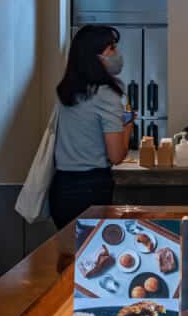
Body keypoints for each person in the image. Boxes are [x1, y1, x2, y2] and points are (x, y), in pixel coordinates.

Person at [49, 24, 135, 229]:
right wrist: (128, 125)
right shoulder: (106, 95)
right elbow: (116, 155)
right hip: (91, 189)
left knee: (70, 257)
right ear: (95, 57)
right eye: (112, 48)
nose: (117, 54)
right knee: (94, 255)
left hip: (62, 187)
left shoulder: (66, 91)